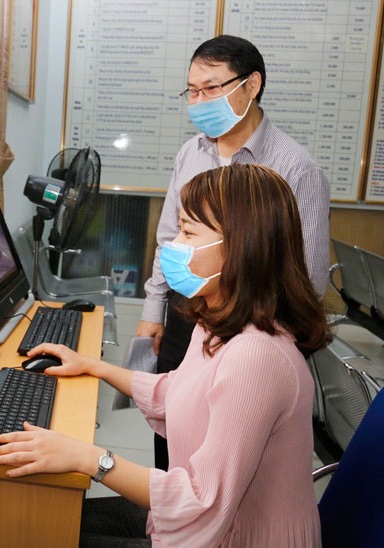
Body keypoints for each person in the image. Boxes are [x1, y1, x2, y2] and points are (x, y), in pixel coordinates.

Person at [0, 164, 332, 547]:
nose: (173, 243)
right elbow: (179, 392)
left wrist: (89, 458)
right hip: (212, 525)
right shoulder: (218, 321)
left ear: (240, 246)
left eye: (187, 231)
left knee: (34, 531)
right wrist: (94, 367)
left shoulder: (256, 358)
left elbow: (201, 499)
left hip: (238, 538)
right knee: (40, 518)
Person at [139, 35, 331, 469]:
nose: (199, 100)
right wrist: (154, 307)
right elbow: (169, 236)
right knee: (174, 439)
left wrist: (257, 349)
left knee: (228, 457)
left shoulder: (296, 169)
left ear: (252, 84)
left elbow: (310, 279)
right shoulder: (190, 153)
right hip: (187, 312)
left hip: (251, 331)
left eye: (212, 87)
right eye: (191, 90)